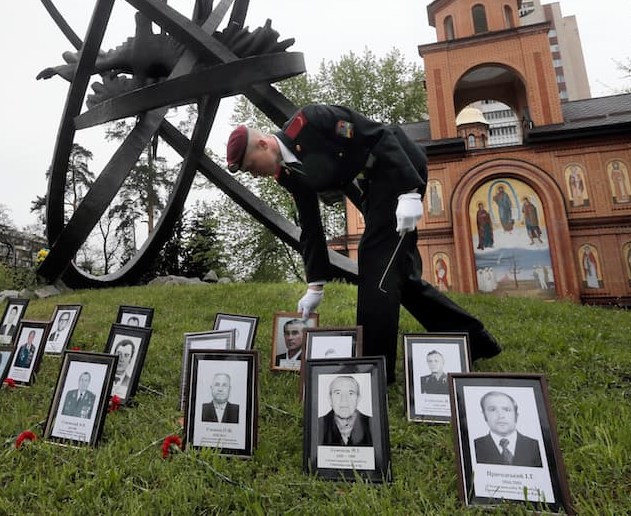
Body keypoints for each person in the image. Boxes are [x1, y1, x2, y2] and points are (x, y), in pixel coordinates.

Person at [227, 105, 500, 382]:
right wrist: (315, 284)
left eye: (250, 166)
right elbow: (310, 225)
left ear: (262, 144)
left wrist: (409, 191)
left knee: (374, 262)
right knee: (399, 277)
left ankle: (374, 368)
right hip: (374, 186)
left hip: (397, 166)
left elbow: (377, 135)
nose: (253, 174)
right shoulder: (287, 174)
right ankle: (475, 340)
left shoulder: (310, 122)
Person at [472, 391, 543, 466]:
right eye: (492, 409)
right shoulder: (473, 447)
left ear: (516, 415)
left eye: (506, 409)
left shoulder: (537, 447)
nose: (500, 415)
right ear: (484, 415)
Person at [318, 375, 372, 446]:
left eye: (350, 393)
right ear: (330, 399)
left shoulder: (373, 424)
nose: (344, 400)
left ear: (358, 399)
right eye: (338, 393)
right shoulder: (317, 425)